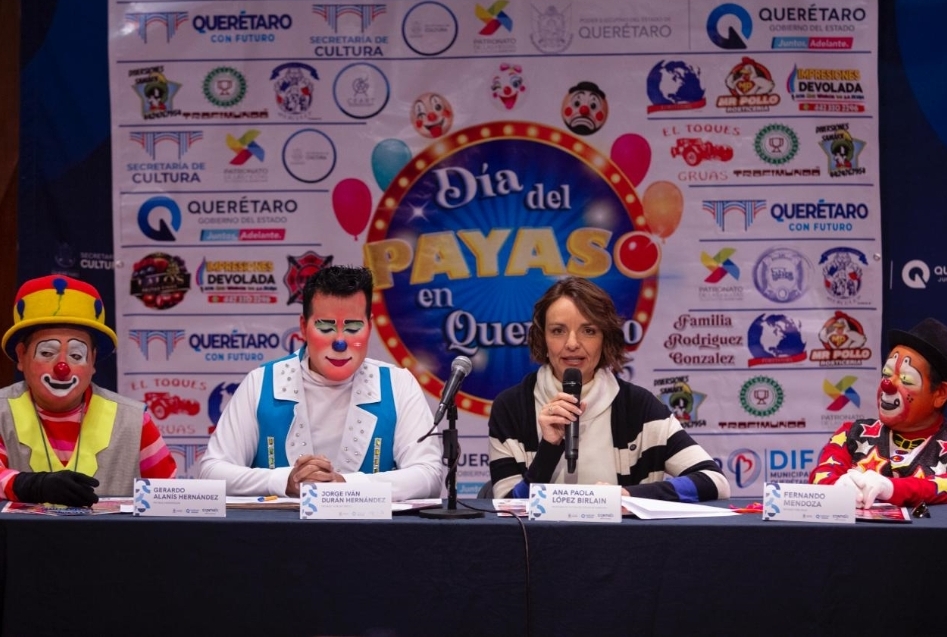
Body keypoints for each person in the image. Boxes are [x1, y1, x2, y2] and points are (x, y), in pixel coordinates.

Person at [199, 265, 443, 500]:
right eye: (325, 327)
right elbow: (212, 472)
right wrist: (285, 481)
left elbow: (428, 476)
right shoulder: (261, 382)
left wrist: (345, 485)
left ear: (369, 326)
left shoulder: (398, 384)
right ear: (303, 327)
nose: (340, 342)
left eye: (353, 327)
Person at [488, 277, 730, 501]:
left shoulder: (638, 406)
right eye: (558, 331)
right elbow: (505, 506)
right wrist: (548, 451)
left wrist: (627, 496)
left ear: (605, 339)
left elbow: (715, 481)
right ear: (542, 338)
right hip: (538, 536)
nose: (572, 344)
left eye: (588, 331)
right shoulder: (512, 407)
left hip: (620, 535)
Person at [0, 275, 177, 506]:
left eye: (76, 355)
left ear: (92, 360)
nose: (62, 367)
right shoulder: (2, 412)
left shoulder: (134, 422)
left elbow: (171, 498)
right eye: (47, 353)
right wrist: (32, 486)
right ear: (22, 356)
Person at [810, 317, 947, 508]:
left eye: (906, 379)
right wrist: (836, 487)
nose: (887, 384)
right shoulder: (853, 434)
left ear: (940, 394)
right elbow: (821, 475)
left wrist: (891, 488)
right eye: (886, 374)